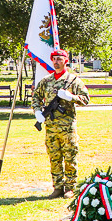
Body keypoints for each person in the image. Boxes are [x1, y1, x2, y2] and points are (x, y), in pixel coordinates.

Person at [32, 48, 90, 198]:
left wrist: (71, 97)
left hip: (67, 127)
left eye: (59, 59)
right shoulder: (46, 81)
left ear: (66, 61)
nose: (56, 62)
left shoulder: (73, 80)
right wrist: (38, 111)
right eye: (54, 59)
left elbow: (86, 99)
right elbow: (36, 97)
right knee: (54, 157)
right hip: (51, 127)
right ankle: (57, 187)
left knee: (70, 156)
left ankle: (70, 187)